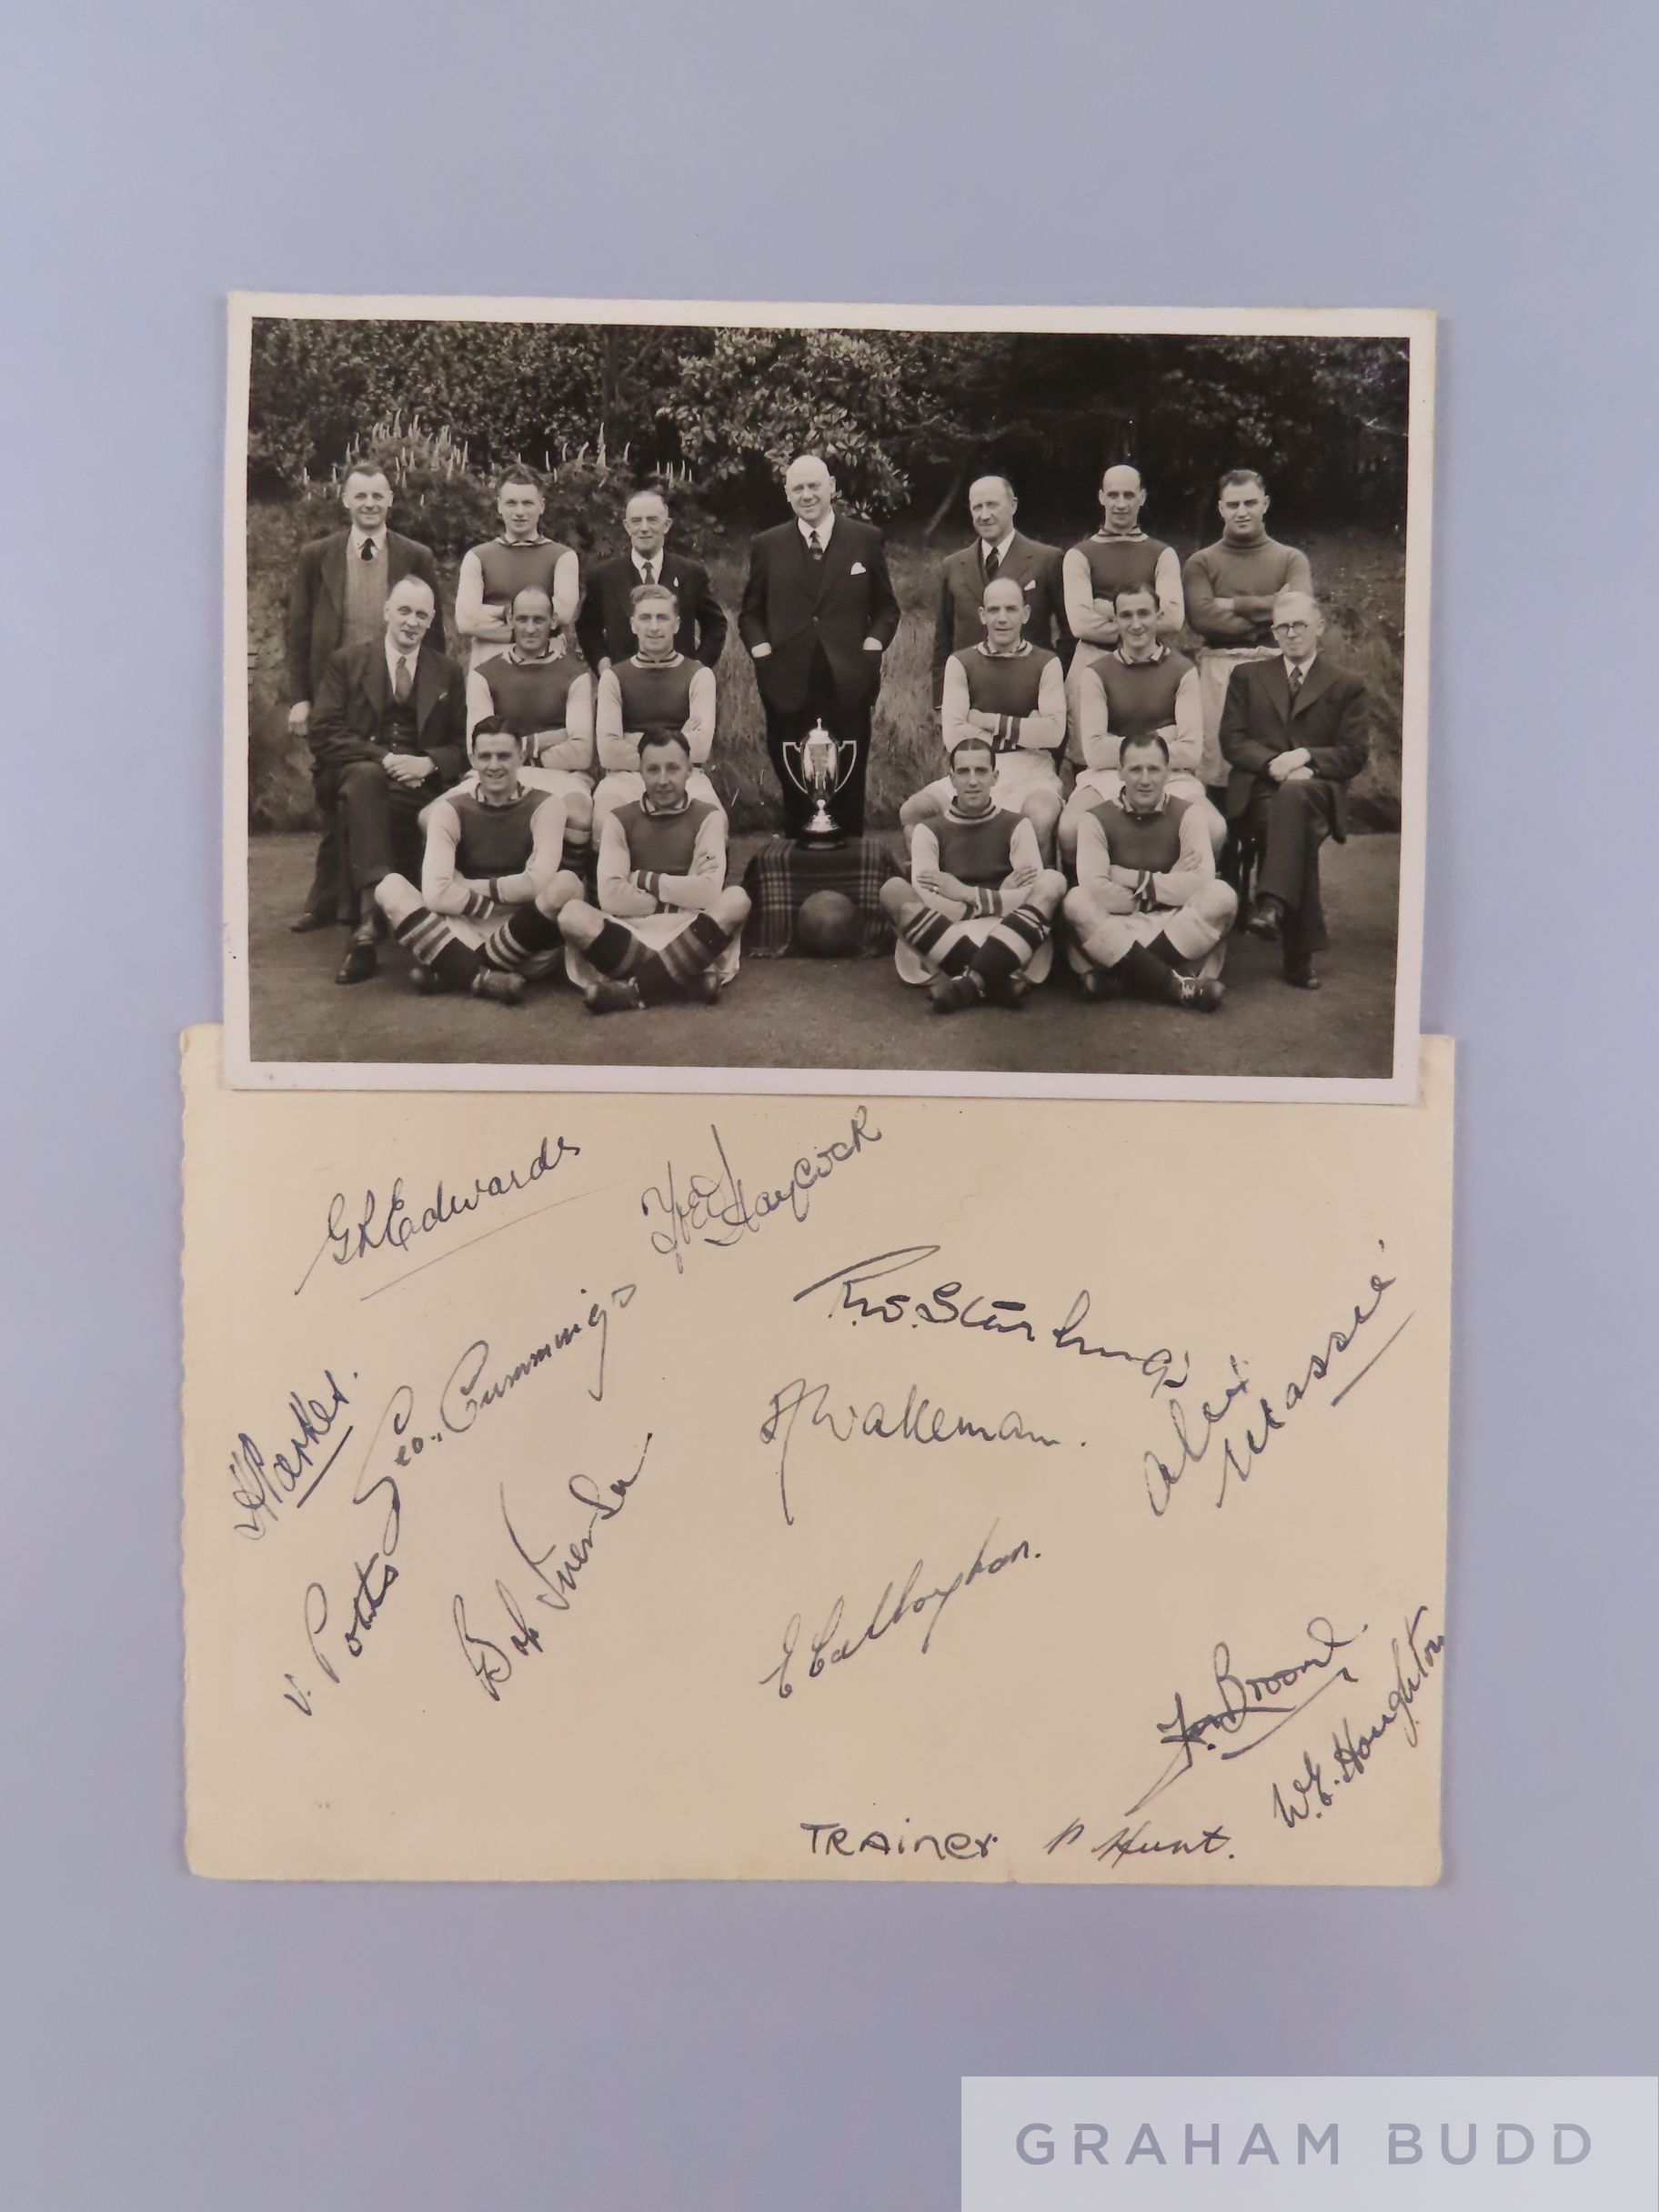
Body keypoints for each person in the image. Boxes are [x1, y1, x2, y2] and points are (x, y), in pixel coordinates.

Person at [283, 463, 444, 930]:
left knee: (376, 787)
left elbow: (432, 637)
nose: (370, 504)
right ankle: (327, 897)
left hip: (396, 687)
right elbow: (300, 630)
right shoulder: (318, 556)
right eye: (361, 496)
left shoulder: (415, 555)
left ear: (390, 500)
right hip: (337, 690)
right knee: (337, 786)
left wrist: (428, 698)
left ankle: (389, 895)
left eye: (378, 496)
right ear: (346, 501)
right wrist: (301, 698)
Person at [307, 575, 468, 984]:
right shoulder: (347, 662)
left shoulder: (447, 671)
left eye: (421, 614)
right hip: (357, 773)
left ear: (432, 621)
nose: (411, 622)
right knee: (366, 781)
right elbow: (325, 732)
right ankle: (366, 925)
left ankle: (408, 920)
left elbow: (461, 744)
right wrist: (388, 760)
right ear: (386, 613)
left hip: (422, 781)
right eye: (403, 611)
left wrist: (428, 764)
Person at [739, 452, 900, 836]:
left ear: (831, 487)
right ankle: (799, 855)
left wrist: (872, 647)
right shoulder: (767, 544)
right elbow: (750, 613)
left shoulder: (865, 539)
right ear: (787, 495)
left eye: (814, 485)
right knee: (794, 770)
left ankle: (850, 858)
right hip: (786, 680)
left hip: (848, 679)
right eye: (798, 488)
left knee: (848, 769)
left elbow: (886, 608)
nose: (807, 494)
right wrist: (762, 653)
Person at [1219, 590, 1370, 990]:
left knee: (1296, 802)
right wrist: (1274, 765)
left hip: (1316, 789)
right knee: (1293, 817)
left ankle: (1271, 904)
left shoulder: (1346, 684)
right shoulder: (1247, 677)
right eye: (1283, 626)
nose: (1292, 633)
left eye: (1300, 624)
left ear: (1318, 627)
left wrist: (1304, 757)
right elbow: (1232, 741)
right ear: (1273, 633)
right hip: (1259, 790)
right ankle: (1296, 949)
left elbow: (1353, 755)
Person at [371, 718, 583, 1003]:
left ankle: (454, 970)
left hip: (525, 933)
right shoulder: (450, 810)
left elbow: (539, 884)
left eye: (504, 756)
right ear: (472, 759)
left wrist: (464, 885)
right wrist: (501, 896)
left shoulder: (547, 805)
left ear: (521, 755)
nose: (494, 765)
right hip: (465, 928)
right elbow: (435, 894)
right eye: (485, 756)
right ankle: (481, 979)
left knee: (568, 884)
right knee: (390, 887)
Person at [558, 729, 752, 1013]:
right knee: (571, 915)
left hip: (690, 928)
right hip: (633, 931)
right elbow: (611, 898)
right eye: (653, 769)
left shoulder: (707, 816)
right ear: (640, 772)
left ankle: (634, 990)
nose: (663, 780)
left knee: (736, 899)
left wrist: (641, 879)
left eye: (673, 768)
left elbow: (709, 894)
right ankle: (686, 980)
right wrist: (685, 886)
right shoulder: (619, 819)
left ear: (689, 770)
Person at [880, 735, 1068, 1013]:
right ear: (951, 779)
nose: (972, 781)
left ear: (995, 777)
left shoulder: (1017, 825)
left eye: (981, 771)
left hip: (1010, 934)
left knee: (1053, 881)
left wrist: (966, 894)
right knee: (893, 889)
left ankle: (967, 984)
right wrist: (999, 898)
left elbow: (1032, 892)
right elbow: (928, 900)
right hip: (945, 937)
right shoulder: (928, 831)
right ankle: (996, 980)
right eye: (964, 772)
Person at [1062, 733, 1237, 1011]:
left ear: (1168, 772)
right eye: (1135, 769)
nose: (1145, 780)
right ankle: (1176, 986)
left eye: (1154, 769)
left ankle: (1121, 979)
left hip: (1174, 925)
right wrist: (1169, 885)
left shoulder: (1189, 814)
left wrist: (1132, 880)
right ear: (1120, 772)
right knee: (1075, 901)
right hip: (1117, 924)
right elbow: (1097, 892)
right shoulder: (1094, 818)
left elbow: (1201, 881)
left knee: (1222, 895)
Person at [900, 575, 1067, 860]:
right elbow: (954, 736)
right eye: (994, 610)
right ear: (982, 615)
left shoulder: (1046, 662)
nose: (1002, 619)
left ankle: (1037, 899)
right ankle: (934, 891)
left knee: (1038, 818)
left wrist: (986, 721)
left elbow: (1052, 734)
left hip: (1032, 771)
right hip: (974, 768)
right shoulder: (961, 662)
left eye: (1011, 609)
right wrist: (1025, 729)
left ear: (1025, 614)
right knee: (913, 812)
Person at [1060, 582, 1225, 863]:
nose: (1136, 624)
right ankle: (1084, 895)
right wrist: (1164, 736)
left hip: (1170, 775)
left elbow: (1191, 751)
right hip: (1109, 775)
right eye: (1126, 615)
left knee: (1213, 828)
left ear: (1158, 616)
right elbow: (1095, 753)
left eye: (1144, 614)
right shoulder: (1096, 673)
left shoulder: (1183, 670)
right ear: (1115, 620)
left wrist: (1126, 746)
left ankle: (1189, 894)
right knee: (1070, 828)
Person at [1182, 468, 1313, 789]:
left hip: (1276, 666)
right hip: (1220, 669)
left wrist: (1233, 605)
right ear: (1221, 508)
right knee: (1218, 765)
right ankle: (1223, 837)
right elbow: (1202, 618)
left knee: (1276, 762)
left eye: (1250, 503)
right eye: (1233, 504)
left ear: (1265, 504)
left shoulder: (1291, 559)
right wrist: (1270, 614)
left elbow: (1298, 611)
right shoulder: (1201, 562)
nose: (1242, 512)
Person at [460, 586, 594, 865]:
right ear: (510, 620)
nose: (530, 629)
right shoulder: (484, 675)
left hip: (561, 777)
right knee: (436, 814)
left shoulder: (575, 675)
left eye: (538, 619)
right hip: (495, 774)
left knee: (578, 814)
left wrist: (518, 748)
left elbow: (581, 753)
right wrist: (554, 737)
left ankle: (570, 884)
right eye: (522, 619)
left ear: (553, 621)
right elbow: (479, 748)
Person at [1061, 464, 1183, 743]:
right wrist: (1144, 619)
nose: (1120, 504)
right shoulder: (1079, 555)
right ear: (1101, 497)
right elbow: (1080, 625)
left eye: (1128, 495)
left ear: (1142, 497)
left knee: (1147, 750)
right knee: (1091, 751)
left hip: (1149, 664)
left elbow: (1174, 618)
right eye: (1113, 495)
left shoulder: (1162, 553)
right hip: (1094, 659)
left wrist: (1106, 609)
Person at [591, 583, 719, 831]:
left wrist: (629, 739)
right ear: (633, 625)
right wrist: (678, 738)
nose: (653, 627)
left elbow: (701, 749)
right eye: (645, 618)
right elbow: (608, 752)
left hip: (686, 775)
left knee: (714, 819)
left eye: (662, 618)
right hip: (625, 778)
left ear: (677, 624)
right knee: (603, 820)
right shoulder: (614, 677)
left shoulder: (699, 675)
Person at [931, 473, 1070, 699]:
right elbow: (943, 640)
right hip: (969, 696)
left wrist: (1052, 678)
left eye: (992, 505)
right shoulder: (953, 565)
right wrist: (941, 701)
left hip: (1030, 698)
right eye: (977, 507)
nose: (984, 515)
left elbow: (1070, 632)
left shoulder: (1047, 559)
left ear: (1013, 505)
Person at [575, 487, 728, 674]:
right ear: (626, 526)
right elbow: (587, 627)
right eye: (636, 521)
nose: (644, 528)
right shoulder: (603, 576)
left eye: (652, 520)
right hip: (622, 684)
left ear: (667, 525)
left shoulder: (691, 573)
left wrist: (699, 668)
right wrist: (603, 664)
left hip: (679, 685)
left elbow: (715, 624)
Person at [453, 464, 579, 673]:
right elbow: (466, 622)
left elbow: (563, 614)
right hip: (490, 664)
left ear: (542, 506)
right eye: (511, 503)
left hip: (546, 666)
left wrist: (492, 613)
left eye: (528, 503)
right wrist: (535, 624)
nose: (519, 512)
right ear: (499, 506)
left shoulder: (563, 557)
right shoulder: (477, 557)